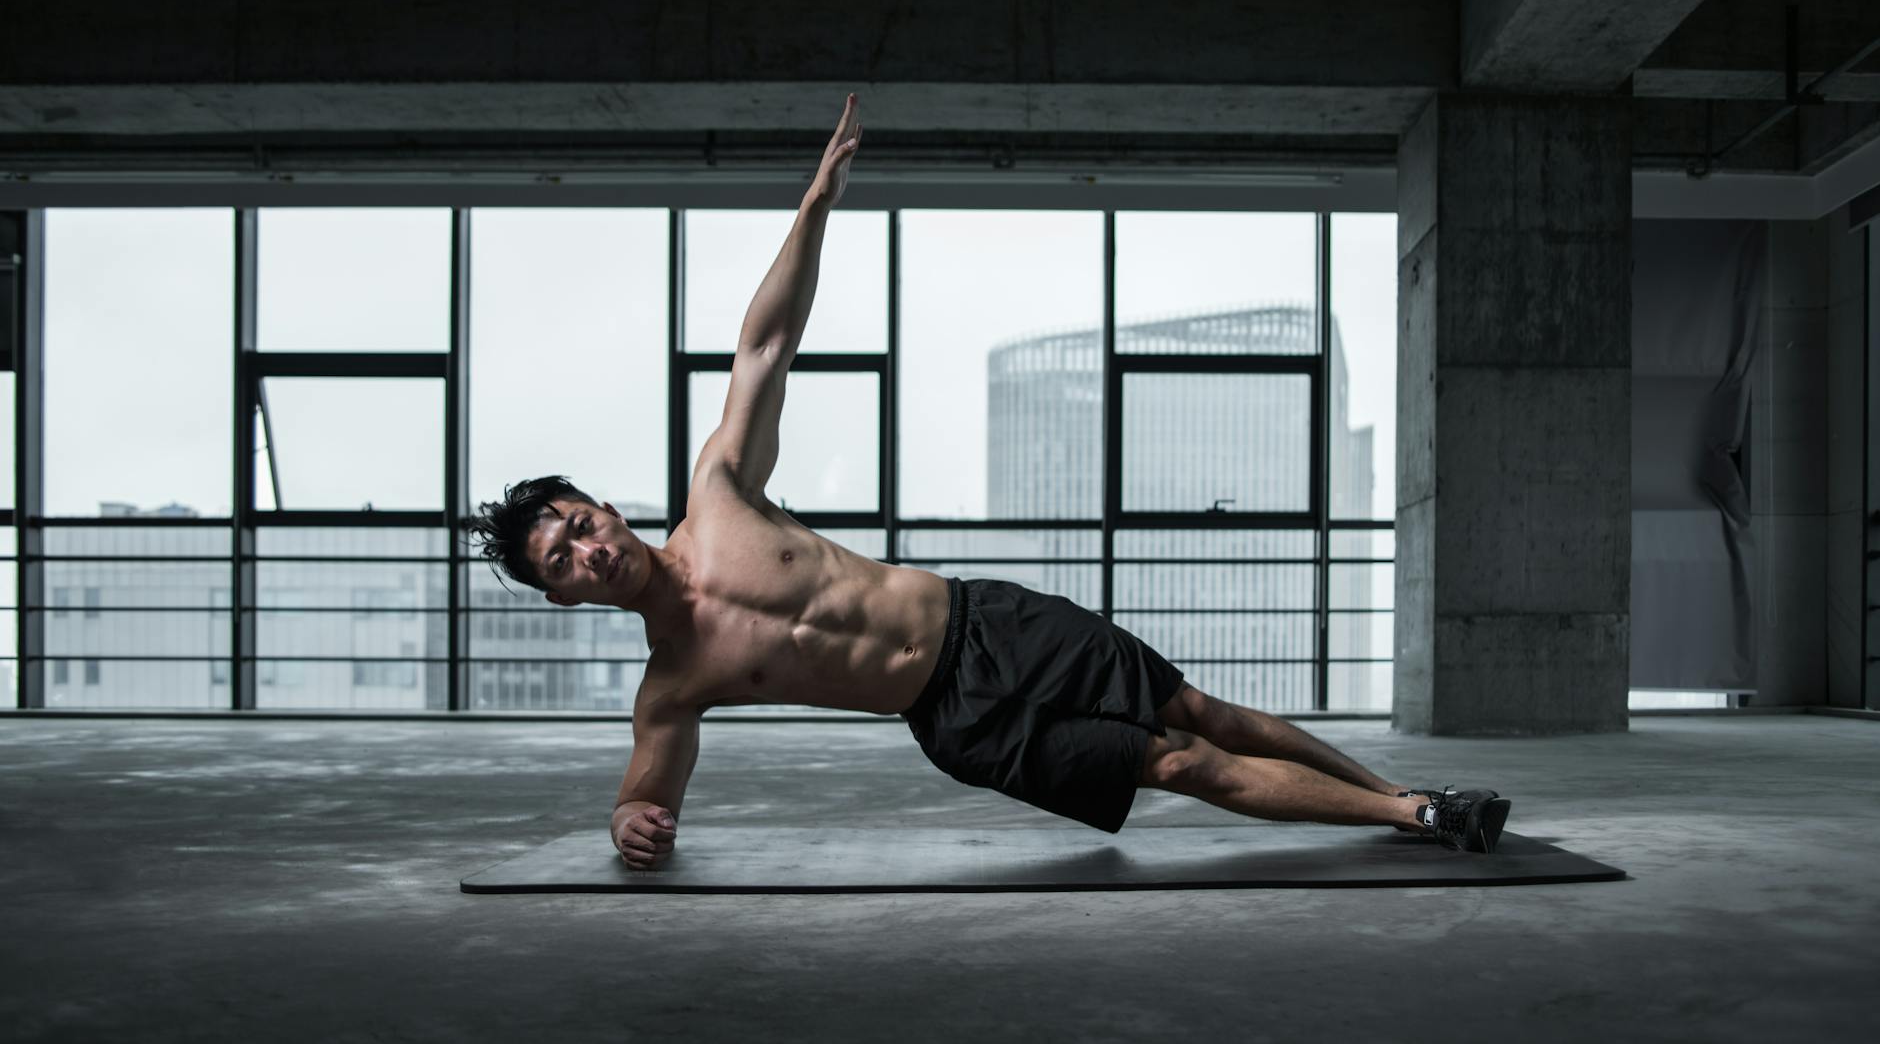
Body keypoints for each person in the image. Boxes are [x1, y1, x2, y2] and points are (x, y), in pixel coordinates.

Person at [468, 93, 1511, 870]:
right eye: (562, 561)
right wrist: (625, 823)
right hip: (958, 719)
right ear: (565, 596)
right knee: (1175, 761)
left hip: (989, 621)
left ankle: (1412, 798)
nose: (586, 549)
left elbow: (764, 345)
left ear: (601, 505)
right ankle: (1412, 816)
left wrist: (817, 201)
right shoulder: (672, 683)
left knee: (1201, 708)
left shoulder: (722, 495)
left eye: (575, 522)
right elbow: (646, 793)